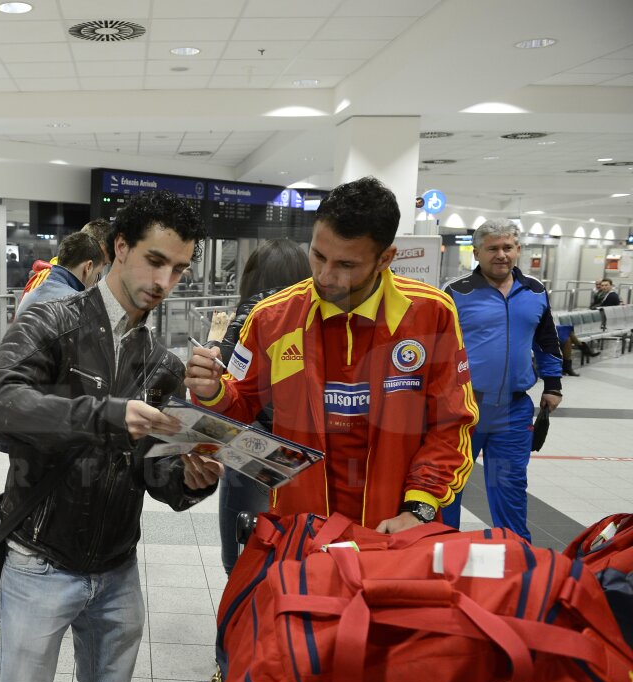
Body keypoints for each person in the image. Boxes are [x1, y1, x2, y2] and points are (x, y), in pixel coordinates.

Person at [0, 190, 222, 682]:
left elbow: (151, 471)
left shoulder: (158, 362)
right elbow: (2, 409)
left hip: (117, 567)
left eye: (180, 269)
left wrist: (189, 478)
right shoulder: (51, 321)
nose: (165, 281)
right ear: (119, 248)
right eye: (154, 260)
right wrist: (106, 413)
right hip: (40, 560)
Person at [186, 176, 478, 532]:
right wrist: (211, 391)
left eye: (346, 265)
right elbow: (238, 406)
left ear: (385, 258)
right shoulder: (271, 317)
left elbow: (451, 424)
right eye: (318, 255)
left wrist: (419, 508)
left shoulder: (432, 314)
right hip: (300, 531)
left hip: (396, 529)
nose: (325, 275)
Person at [441, 220, 563, 539]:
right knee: (448, 484)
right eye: (493, 248)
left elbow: (547, 340)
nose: (501, 255)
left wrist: (553, 385)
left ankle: (515, 551)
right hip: (464, 407)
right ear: (477, 251)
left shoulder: (535, 290)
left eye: (508, 247)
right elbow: (437, 348)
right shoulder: (456, 292)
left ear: (518, 250)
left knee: (509, 484)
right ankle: (439, 549)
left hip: (514, 408)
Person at [213, 239, 311, 572]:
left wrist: (214, 341)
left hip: (255, 444)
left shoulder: (255, 309)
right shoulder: (314, 312)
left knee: (243, 553)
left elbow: (229, 379)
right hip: (304, 447)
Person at [15, 230, 104, 315]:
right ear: (88, 267)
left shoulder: (28, 298)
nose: (96, 282)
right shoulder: (80, 306)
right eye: (97, 274)